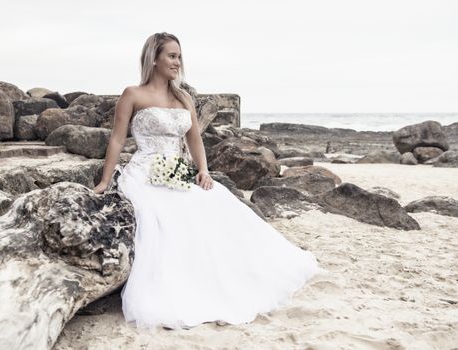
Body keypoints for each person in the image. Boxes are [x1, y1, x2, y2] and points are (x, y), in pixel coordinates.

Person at [93, 32, 319, 330]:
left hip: (178, 170)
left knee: (217, 201)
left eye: (179, 56)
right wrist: (104, 182)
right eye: (171, 56)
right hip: (145, 173)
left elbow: (195, 140)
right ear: (154, 58)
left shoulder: (183, 97)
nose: (177, 62)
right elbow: (117, 140)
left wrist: (204, 170)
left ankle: (235, 274)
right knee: (163, 217)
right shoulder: (133, 94)